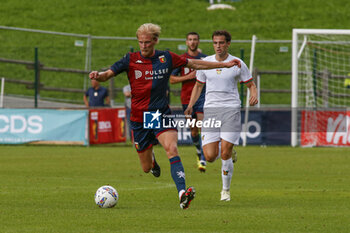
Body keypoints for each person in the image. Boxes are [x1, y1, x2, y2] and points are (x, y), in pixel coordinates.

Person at [89, 23, 241, 209]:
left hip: (160, 114)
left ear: (155, 40)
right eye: (140, 42)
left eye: (147, 42)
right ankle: (152, 161)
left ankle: (182, 194)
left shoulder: (166, 57)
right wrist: (99, 75)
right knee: (145, 168)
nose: (143, 46)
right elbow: (108, 75)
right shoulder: (130, 59)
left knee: (172, 149)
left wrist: (222, 64)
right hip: (139, 118)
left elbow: (195, 64)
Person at [185, 30, 258, 202]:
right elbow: (198, 86)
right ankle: (230, 150)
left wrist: (254, 94)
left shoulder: (237, 63)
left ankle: (225, 190)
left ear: (228, 44)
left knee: (224, 153)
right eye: (215, 43)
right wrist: (190, 106)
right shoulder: (205, 63)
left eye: (221, 43)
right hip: (210, 111)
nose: (218, 46)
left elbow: (250, 84)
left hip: (231, 110)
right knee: (210, 157)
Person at [170, 32, 207, 172]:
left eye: (195, 39)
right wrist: (188, 77)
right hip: (186, 99)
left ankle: (203, 158)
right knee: (193, 131)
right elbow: (172, 80)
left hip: (202, 97)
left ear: (198, 41)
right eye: (190, 40)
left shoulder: (204, 59)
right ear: (186, 42)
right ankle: (199, 152)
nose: (192, 42)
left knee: (202, 125)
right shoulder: (181, 59)